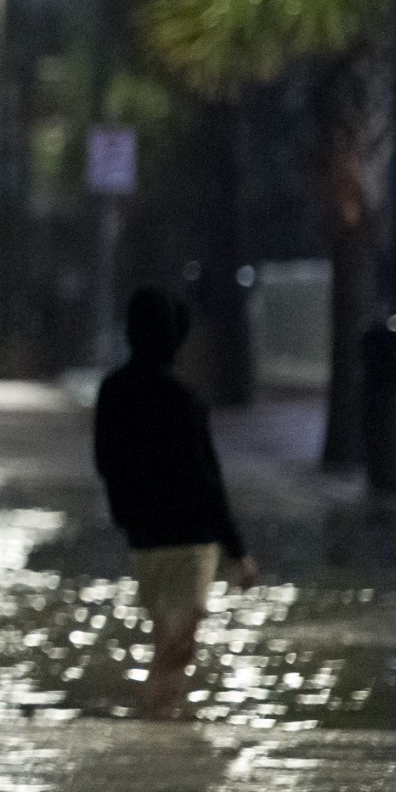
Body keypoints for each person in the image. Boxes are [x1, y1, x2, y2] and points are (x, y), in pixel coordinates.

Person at [93, 287, 256, 720]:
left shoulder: (113, 392)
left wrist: (125, 516)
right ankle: (157, 725)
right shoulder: (185, 402)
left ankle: (161, 726)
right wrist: (237, 551)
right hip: (190, 539)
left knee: (170, 639)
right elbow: (208, 479)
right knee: (178, 644)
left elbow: (106, 463)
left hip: (146, 539)